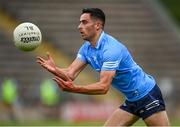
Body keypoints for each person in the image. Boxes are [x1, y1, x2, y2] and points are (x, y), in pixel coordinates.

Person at [37, 8, 170, 126]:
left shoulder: (111, 49)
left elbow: (103, 87)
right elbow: (71, 73)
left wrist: (75, 89)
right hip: (131, 99)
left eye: (84, 22)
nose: (79, 26)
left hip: (147, 95)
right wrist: (55, 69)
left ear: (97, 25)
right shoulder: (86, 49)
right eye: (79, 22)